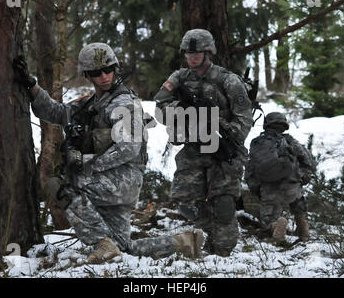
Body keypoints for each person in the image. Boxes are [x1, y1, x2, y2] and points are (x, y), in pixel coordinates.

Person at [13, 42, 204, 264]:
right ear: (88, 75)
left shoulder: (124, 104)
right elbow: (57, 113)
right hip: (112, 181)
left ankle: (101, 243)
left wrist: (86, 162)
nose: (104, 76)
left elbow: (128, 148)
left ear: (115, 68)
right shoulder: (92, 104)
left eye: (108, 69)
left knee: (63, 187)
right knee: (124, 247)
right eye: (96, 72)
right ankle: (184, 242)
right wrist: (32, 87)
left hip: (123, 179)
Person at [153, 29, 253, 256]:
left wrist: (222, 130)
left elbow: (244, 119)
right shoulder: (179, 78)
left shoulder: (228, 80)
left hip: (224, 148)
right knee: (187, 200)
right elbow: (159, 107)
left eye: (198, 52)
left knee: (224, 205)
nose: (193, 56)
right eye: (189, 52)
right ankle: (207, 237)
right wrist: (182, 110)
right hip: (193, 147)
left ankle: (224, 251)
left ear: (208, 52)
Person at [245, 112, 317, 242]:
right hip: (291, 184)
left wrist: (255, 187)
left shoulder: (258, 143)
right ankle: (303, 230)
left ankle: (274, 227)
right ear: (283, 126)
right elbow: (308, 160)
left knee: (269, 217)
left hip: (268, 187)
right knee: (298, 204)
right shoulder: (290, 141)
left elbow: (251, 167)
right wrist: (302, 177)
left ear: (266, 125)